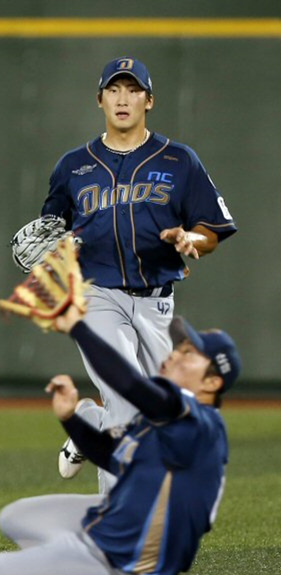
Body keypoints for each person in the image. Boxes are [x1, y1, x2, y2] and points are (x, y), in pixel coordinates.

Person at [38, 56, 238, 492]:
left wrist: (192, 239)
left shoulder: (180, 160)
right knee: (128, 403)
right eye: (114, 89)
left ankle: (88, 425)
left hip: (156, 301)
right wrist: (60, 250)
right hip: (98, 297)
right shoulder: (73, 166)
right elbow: (49, 233)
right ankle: (117, 535)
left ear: (150, 100)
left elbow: (214, 228)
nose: (123, 98)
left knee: (167, 412)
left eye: (132, 90)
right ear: (100, 100)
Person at [0, 306, 241, 575]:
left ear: (212, 383)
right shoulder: (166, 419)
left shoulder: (199, 423)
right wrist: (70, 419)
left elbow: (129, 383)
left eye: (189, 353)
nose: (175, 354)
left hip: (126, 567)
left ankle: (91, 573)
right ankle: (64, 559)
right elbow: (110, 455)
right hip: (116, 526)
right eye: (179, 348)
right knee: (14, 517)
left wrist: (78, 328)